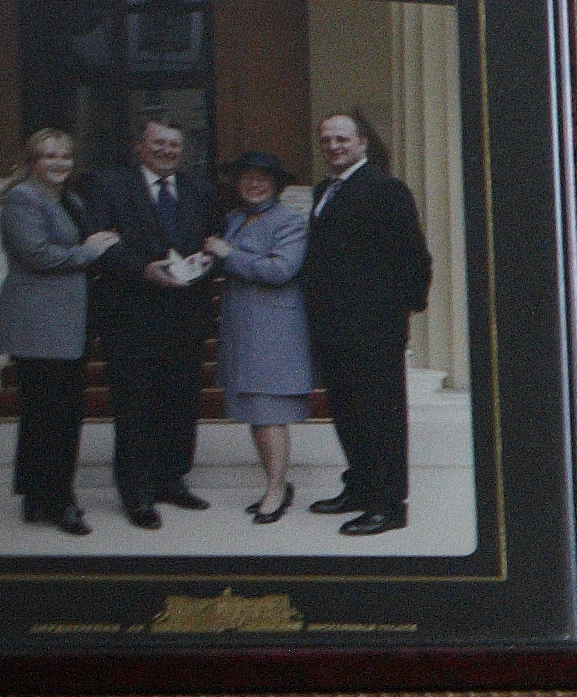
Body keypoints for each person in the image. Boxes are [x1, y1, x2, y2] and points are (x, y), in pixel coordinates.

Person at [75, 115, 222, 529]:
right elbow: (97, 239)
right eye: (158, 143)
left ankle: (171, 479)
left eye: (174, 145)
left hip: (186, 315)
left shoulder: (198, 189)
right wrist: (143, 269)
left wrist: (205, 261)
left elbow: (214, 237)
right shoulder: (109, 185)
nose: (166, 151)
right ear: (139, 146)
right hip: (131, 314)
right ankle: (136, 492)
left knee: (180, 400)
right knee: (136, 403)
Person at [296, 108, 433, 536]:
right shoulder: (325, 190)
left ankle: (388, 505)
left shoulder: (386, 189)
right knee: (348, 412)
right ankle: (358, 487)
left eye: (341, 139)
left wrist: (399, 311)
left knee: (380, 417)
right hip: (333, 325)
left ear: (362, 143)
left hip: (373, 327)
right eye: (326, 140)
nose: (333, 146)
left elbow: (414, 256)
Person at [0, 122, 119, 534]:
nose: (59, 163)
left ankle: (36, 497)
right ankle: (59, 501)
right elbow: (39, 256)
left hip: (66, 321)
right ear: (32, 161)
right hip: (38, 321)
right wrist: (90, 250)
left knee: (48, 415)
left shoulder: (68, 200)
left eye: (65, 156)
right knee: (54, 416)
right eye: (49, 155)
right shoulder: (22, 199)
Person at [207, 152, 317, 524]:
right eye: (246, 178)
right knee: (256, 412)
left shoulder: (289, 221)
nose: (254, 185)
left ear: (276, 185)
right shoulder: (235, 218)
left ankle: (275, 490)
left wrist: (228, 253)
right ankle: (276, 483)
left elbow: (280, 270)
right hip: (241, 327)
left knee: (270, 414)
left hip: (274, 332)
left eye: (262, 179)